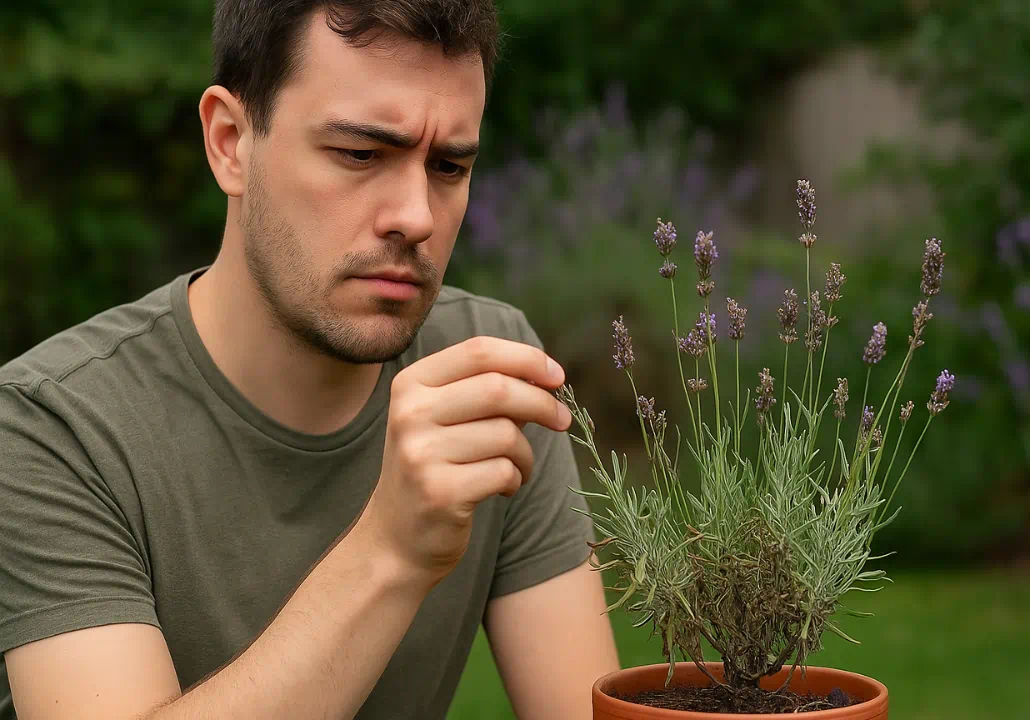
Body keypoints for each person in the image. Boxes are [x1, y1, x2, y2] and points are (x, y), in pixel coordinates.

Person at [0, 1, 622, 718]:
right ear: (231, 142)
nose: (416, 216)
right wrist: (391, 552)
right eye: (361, 155)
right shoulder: (53, 426)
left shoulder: (483, 375)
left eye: (449, 165)